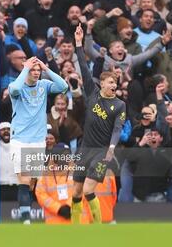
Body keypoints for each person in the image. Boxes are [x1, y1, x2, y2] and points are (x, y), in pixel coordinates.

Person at [72, 24, 126, 223]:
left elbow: (118, 128)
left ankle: (98, 227)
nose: (114, 85)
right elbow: (84, 66)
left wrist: (111, 147)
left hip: (102, 152)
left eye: (115, 83)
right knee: (76, 191)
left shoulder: (120, 105)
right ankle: (74, 229)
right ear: (102, 84)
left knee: (88, 189)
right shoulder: (93, 94)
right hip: (84, 149)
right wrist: (78, 43)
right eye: (111, 82)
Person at [9, 56, 68, 224]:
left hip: (38, 140)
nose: (35, 73)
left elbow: (63, 86)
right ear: (26, 70)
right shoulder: (18, 86)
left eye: (37, 70)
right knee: (24, 179)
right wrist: (25, 69)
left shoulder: (44, 85)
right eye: (32, 70)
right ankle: (26, 221)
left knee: (33, 182)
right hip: (20, 139)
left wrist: (46, 69)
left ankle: (26, 213)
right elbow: (13, 90)